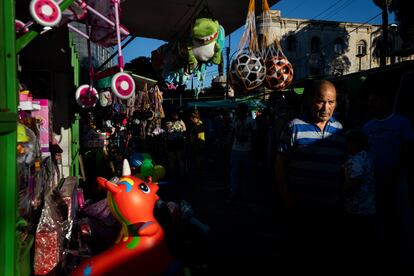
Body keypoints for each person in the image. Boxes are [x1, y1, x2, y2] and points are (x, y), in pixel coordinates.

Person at [275, 80, 346, 274]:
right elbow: (280, 165)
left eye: (331, 102)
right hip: (299, 207)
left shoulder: (340, 131)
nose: (325, 107)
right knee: (299, 256)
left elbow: (343, 166)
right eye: (320, 101)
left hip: (329, 209)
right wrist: (286, 196)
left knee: (325, 257)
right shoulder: (294, 127)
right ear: (310, 101)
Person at [362, 88, 414, 273]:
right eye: (369, 101)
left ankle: (405, 259)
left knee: (402, 219)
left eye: (374, 100)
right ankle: (382, 257)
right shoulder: (367, 127)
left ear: (384, 101)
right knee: (379, 219)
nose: (371, 104)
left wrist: (399, 170)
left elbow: (408, 150)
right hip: (375, 182)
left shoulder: (401, 123)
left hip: (398, 180)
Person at [342, 129, 376, 274]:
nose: (346, 145)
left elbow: (353, 184)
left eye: (349, 142)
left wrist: (341, 193)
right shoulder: (366, 157)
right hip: (367, 207)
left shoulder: (357, 160)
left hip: (357, 208)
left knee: (356, 243)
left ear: (356, 143)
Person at [228, 103, 257, 206]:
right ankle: (234, 192)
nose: (237, 112)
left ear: (244, 111)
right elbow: (231, 133)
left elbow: (254, 136)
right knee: (234, 172)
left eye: (239, 110)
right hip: (235, 150)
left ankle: (245, 194)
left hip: (247, 151)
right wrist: (228, 145)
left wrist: (254, 150)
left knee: (246, 173)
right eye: (237, 110)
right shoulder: (235, 120)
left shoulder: (251, 121)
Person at [165, 110, 186, 182]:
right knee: (174, 159)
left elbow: (184, 130)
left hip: (176, 142)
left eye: (176, 114)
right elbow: (184, 130)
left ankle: (179, 175)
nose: (175, 116)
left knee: (177, 159)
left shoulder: (179, 121)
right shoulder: (169, 122)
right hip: (173, 142)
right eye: (174, 114)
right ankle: (175, 175)